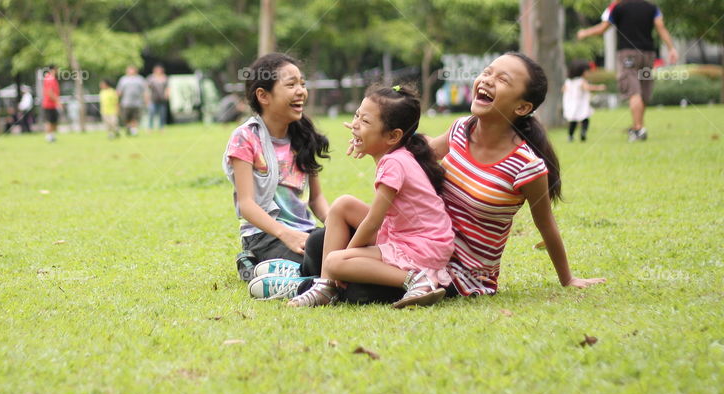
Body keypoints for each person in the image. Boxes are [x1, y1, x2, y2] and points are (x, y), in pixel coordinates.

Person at [307, 52, 605, 303]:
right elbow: (416, 155)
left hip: (460, 274)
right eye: (488, 72)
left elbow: (546, 226)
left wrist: (568, 279)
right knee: (319, 243)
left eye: (503, 80)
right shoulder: (462, 129)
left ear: (522, 107)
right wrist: (368, 137)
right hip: (418, 245)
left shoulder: (526, 166)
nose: (488, 80)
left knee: (358, 284)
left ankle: (300, 285)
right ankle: (316, 284)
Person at [287, 84, 454, 308]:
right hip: (417, 238)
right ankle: (325, 287)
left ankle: (418, 280)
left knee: (335, 262)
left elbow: (373, 222)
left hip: (421, 248)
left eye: (365, 122)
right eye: (357, 116)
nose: (355, 125)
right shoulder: (401, 152)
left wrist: (349, 255)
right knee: (342, 205)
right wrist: (364, 137)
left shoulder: (393, 163)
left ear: (394, 136)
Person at [222, 53, 330, 300]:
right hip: (265, 236)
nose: (301, 91)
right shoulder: (245, 138)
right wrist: (285, 234)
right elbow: (247, 205)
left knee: (346, 251)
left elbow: (317, 200)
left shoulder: (304, 136)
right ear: (263, 96)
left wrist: (339, 227)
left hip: (306, 233)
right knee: (329, 263)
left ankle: (296, 276)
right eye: (291, 85)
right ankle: (279, 275)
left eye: (302, 83)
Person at [577, 0, 678, 141]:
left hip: (628, 54)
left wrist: (585, 33)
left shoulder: (617, 6)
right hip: (648, 54)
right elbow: (661, 27)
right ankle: (639, 126)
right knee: (643, 90)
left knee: (633, 92)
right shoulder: (651, 6)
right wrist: (671, 48)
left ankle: (638, 129)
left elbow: (603, 28)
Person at [562, 60, 605, 142]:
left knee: (573, 121)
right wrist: (599, 87)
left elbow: (563, 89)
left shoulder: (568, 81)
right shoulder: (581, 81)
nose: (588, 73)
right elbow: (587, 88)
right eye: (587, 71)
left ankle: (570, 136)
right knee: (585, 119)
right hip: (580, 104)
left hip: (571, 104)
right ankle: (583, 132)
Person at [116, 66, 147, 136]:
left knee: (135, 117)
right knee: (126, 118)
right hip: (126, 103)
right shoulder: (123, 79)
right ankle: (129, 128)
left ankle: (133, 130)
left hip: (137, 103)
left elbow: (145, 91)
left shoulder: (140, 79)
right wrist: (117, 100)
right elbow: (119, 91)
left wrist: (146, 100)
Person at [147, 65, 170, 131]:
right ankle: (150, 128)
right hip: (153, 99)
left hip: (162, 99)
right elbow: (147, 88)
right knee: (151, 114)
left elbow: (168, 87)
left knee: (162, 115)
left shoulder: (164, 78)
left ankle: (162, 128)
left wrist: (167, 95)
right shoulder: (151, 78)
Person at [42, 66, 61, 143]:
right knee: (49, 121)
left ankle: (52, 136)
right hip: (48, 104)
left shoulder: (53, 78)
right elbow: (49, 92)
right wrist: (58, 101)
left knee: (54, 121)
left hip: (53, 104)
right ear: (53, 69)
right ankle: (48, 137)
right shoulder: (49, 78)